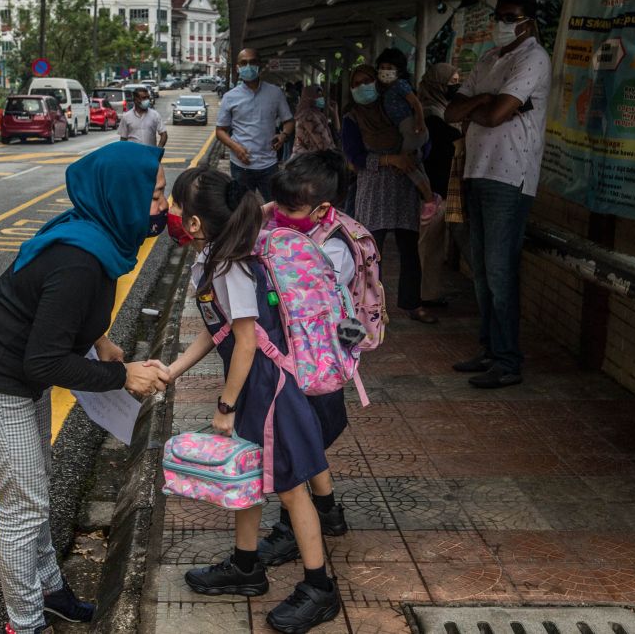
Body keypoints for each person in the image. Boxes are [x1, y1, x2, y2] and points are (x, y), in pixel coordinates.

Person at [0, 142, 171, 634]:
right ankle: (24, 624)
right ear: (124, 195)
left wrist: (101, 341)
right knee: (23, 505)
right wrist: (122, 375)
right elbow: (45, 358)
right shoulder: (80, 257)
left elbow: (57, 313)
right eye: (155, 196)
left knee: (36, 489)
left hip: (18, 378)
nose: (164, 207)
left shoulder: (101, 236)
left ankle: (51, 590)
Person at [164, 167, 341, 633]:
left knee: (290, 486)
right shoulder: (212, 260)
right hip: (251, 385)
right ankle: (246, 566)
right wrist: (172, 371)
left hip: (268, 388)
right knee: (252, 473)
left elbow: (245, 342)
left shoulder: (233, 266)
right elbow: (216, 329)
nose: (172, 213)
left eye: (177, 206)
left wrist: (225, 406)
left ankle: (320, 587)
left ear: (197, 224)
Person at [444, 0, 551, 389]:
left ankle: (508, 361)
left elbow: (495, 116)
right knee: (482, 272)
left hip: (511, 177)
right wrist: (485, 99)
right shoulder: (490, 59)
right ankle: (490, 349)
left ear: (528, 21)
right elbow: (453, 110)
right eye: (500, 16)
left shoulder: (534, 58)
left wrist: (484, 105)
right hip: (476, 171)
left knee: (501, 272)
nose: (502, 24)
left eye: (511, 17)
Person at [255, 150, 353, 568]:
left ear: (323, 209)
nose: (281, 215)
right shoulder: (286, 227)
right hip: (298, 363)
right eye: (277, 205)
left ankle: (291, 529)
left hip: (314, 368)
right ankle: (328, 511)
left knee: (294, 450)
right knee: (307, 440)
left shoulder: (332, 251)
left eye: (290, 208)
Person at [342, 65, 438, 324]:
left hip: (404, 190)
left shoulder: (397, 111)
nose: (363, 86)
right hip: (373, 192)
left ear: (378, 83)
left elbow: (424, 144)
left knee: (409, 250)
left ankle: (412, 304)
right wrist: (390, 159)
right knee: (371, 253)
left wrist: (410, 156)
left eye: (367, 80)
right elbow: (354, 159)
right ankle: (371, 309)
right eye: (357, 82)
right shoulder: (353, 118)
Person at [216, 47, 294, 198]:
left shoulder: (275, 93)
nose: (248, 67)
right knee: (242, 209)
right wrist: (236, 147)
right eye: (243, 63)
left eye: (252, 62)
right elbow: (220, 131)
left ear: (260, 65)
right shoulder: (229, 97)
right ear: (238, 68)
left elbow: (289, 121)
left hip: (269, 164)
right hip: (240, 165)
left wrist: (283, 135)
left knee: (275, 207)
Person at [417, 63, 463, 307]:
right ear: (438, 84)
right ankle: (426, 295)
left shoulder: (437, 110)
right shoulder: (431, 115)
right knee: (429, 245)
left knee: (430, 244)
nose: (456, 86)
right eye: (451, 82)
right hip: (432, 190)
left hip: (435, 188)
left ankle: (427, 293)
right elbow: (451, 143)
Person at [374, 48, 436, 214]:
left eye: (390, 68)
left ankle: (429, 200)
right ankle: (430, 196)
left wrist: (420, 121)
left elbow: (416, 103)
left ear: (399, 70)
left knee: (406, 164)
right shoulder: (385, 91)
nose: (385, 71)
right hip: (406, 129)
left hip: (410, 127)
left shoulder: (400, 85)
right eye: (383, 67)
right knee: (415, 163)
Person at [291, 84, 337, 159]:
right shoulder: (309, 116)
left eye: (321, 96)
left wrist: (335, 114)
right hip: (308, 162)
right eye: (317, 96)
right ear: (309, 97)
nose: (321, 98)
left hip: (304, 160)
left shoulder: (311, 113)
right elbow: (324, 144)